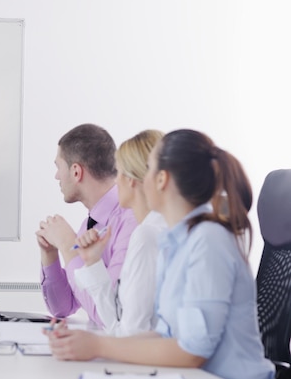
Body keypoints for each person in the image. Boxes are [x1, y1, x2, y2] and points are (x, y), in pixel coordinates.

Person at [46, 129, 275, 379]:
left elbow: (192, 351)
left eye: (149, 169)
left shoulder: (208, 240)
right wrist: (91, 342)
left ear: (160, 180)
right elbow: (165, 335)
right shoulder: (173, 241)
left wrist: (100, 346)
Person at [36, 124, 138, 325]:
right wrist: (50, 255)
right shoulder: (89, 225)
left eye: (58, 167)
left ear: (76, 172)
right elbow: (63, 307)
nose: (56, 176)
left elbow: (110, 316)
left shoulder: (131, 221)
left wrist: (68, 247)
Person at [73, 129, 166, 336]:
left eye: (118, 172)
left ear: (132, 179)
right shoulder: (150, 230)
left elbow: (130, 336)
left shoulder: (147, 236)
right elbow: (119, 324)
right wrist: (93, 262)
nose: (115, 181)